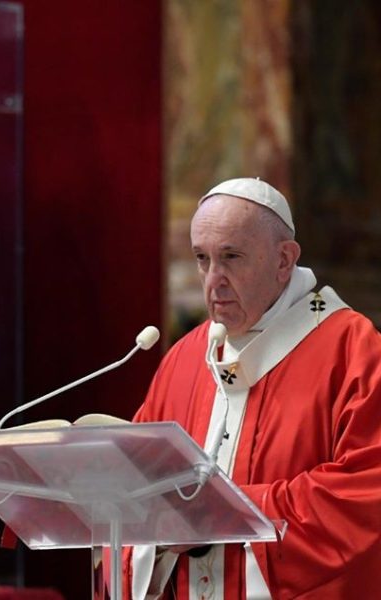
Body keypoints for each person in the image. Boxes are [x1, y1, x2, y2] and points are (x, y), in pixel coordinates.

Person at [122, 178, 381, 599]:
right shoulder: (184, 358)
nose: (213, 279)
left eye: (231, 257)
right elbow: (140, 484)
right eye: (202, 259)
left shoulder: (352, 350)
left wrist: (227, 510)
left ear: (284, 260)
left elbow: (367, 489)